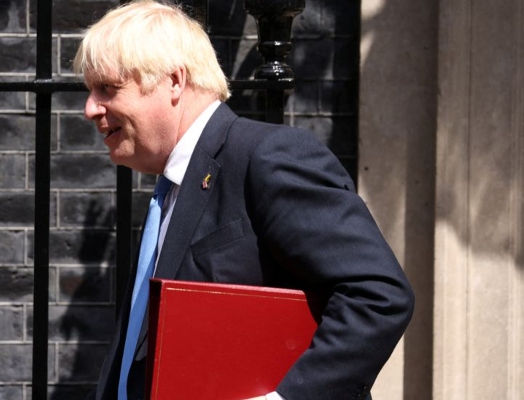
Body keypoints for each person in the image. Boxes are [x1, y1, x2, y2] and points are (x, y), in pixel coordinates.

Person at [72, 1, 415, 399]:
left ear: (174, 81)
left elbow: (378, 294)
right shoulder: (172, 188)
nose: (90, 109)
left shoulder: (268, 156)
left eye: (107, 89)